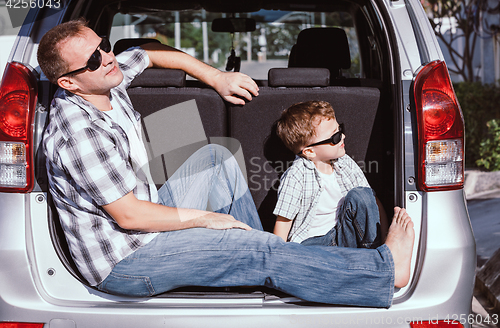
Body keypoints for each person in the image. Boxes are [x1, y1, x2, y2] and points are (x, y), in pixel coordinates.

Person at [39, 18, 414, 308]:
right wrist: (205, 218)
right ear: (69, 84)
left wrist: (215, 77)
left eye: (103, 46)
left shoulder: (106, 78)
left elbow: (150, 52)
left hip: (142, 226)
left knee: (216, 157)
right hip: (125, 260)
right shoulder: (78, 133)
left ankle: (262, 262)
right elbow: (130, 217)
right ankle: (382, 271)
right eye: (93, 59)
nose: (106, 58)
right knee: (259, 252)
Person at [273, 100, 391, 248]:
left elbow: (373, 203)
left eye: (340, 130)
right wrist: (279, 256)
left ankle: (374, 253)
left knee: (363, 195)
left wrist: (386, 245)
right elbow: (284, 221)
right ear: (309, 151)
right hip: (314, 244)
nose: (342, 137)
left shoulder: (344, 162)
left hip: (344, 236)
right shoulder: (296, 175)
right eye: (334, 137)